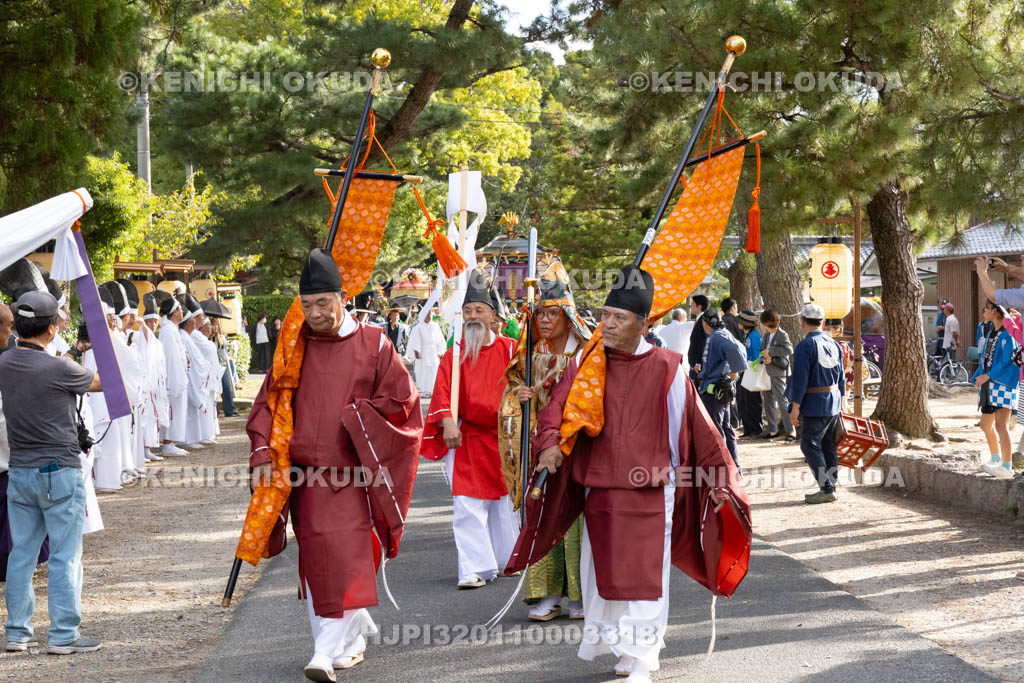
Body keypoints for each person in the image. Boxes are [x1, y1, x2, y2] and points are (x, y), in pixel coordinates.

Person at [508, 265, 751, 683]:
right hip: (600, 490)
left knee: (645, 579)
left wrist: (715, 481)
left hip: (653, 492)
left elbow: (692, 429)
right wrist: (549, 442)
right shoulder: (587, 365)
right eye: (605, 316)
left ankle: (641, 658)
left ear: (642, 324)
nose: (608, 324)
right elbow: (555, 410)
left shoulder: (668, 368)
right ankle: (626, 649)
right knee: (605, 577)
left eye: (618, 318)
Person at [247, 248, 421, 681]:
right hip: (303, 478)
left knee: (341, 558)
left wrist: (359, 417)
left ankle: (323, 653)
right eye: (307, 305)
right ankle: (351, 636)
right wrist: (262, 453)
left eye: (324, 303)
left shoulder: (375, 345)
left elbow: (403, 403)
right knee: (318, 562)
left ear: (344, 297)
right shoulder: (292, 346)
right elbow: (269, 404)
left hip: (352, 478)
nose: (316, 313)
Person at [0, 291, 103, 655]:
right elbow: (98, 382)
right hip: (59, 469)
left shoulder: (5, 363)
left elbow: (46, 367)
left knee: (21, 554)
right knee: (65, 554)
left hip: (21, 470)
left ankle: (17, 632)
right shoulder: (59, 368)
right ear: (50, 328)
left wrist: (73, 352)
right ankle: (62, 634)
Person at [498, 268, 591, 621]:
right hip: (538, 446)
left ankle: (582, 595)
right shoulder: (528, 353)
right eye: (542, 313)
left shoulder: (585, 354)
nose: (547, 320)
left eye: (554, 313)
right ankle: (548, 593)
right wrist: (517, 396)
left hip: (573, 445)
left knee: (574, 520)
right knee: (539, 516)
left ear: (568, 315)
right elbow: (510, 394)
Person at [421, 270, 519, 589]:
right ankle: (474, 568)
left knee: (504, 503)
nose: (473, 316)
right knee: (467, 502)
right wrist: (447, 422)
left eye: (479, 310)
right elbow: (442, 391)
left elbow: (526, 390)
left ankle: (507, 560)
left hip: (504, 437)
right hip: (467, 438)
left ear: (493, 316)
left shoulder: (511, 349)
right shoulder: (454, 354)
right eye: (467, 311)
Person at [787, 304, 847, 504]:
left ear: (802, 322)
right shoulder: (834, 344)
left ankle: (827, 487)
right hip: (833, 401)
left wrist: (795, 408)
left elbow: (800, 379)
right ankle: (831, 484)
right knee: (828, 444)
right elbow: (842, 377)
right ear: (822, 322)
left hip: (815, 403)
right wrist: (843, 401)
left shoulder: (805, 346)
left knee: (809, 444)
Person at [971, 301, 1018, 479]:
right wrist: (977, 376)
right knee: (985, 424)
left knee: (1001, 425)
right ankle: (995, 459)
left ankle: (1006, 466)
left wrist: (987, 376)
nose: (984, 311)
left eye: (987, 308)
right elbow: (985, 359)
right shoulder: (991, 333)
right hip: (989, 385)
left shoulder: (1008, 334)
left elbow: (1006, 361)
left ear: (995, 312)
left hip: (1003, 385)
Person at [696, 308, 747, 468]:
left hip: (714, 388)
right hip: (718, 386)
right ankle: (733, 469)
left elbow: (736, 350)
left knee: (716, 432)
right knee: (726, 429)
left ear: (705, 323)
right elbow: (739, 348)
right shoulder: (722, 334)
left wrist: (734, 371)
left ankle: (724, 471)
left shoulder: (718, 336)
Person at [157, 291, 189, 457]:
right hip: (172, 376)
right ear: (175, 311)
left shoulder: (172, 329)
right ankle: (168, 443)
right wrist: (175, 379)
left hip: (178, 373)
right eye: (180, 309)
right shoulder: (168, 330)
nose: (182, 312)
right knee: (172, 409)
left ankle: (172, 442)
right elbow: (171, 357)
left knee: (177, 410)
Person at [758, 309, 796, 440]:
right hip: (767, 370)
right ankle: (773, 430)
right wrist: (765, 357)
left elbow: (788, 349)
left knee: (782, 400)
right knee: (768, 400)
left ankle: (791, 430)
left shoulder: (782, 334)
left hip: (779, 371)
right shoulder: (767, 335)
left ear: (767, 322)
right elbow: (762, 350)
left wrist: (771, 352)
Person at [404, 307, 446, 397]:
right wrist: (416, 351)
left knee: (433, 371)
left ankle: (432, 390)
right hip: (422, 352)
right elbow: (414, 340)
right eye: (427, 314)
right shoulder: (418, 327)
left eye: (430, 314)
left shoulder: (436, 326)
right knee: (422, 371)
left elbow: (440, 340)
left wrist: (441, 351)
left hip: (433, 352)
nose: (429, 316)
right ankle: (422, 390)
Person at [736, 310, 764, 439]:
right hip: (744, 373)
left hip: (751, 373)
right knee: (743, 401)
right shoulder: (746, 335)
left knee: (752, 402)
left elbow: (757, 355)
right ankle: (747, 429)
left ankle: (756, 429)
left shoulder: (754, 336)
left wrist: (752, 364)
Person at [212, 320, 238, 417]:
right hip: (214, 365)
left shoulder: (221, 338)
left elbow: (224, 351)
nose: (215, 327)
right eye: (213, 325)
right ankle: (216, 410)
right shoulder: (208, 338)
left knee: (227, 387)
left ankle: (230, 409)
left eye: (216, 325)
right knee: (214, 389)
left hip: (222, 364)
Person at [686, 294, 710, 381]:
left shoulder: (703, 320)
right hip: (695, 365)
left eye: (693, 304)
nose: (691, 306)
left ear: (699, 306)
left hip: (698, 366)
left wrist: (698, 362)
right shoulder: (700, 319)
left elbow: (702, 342)